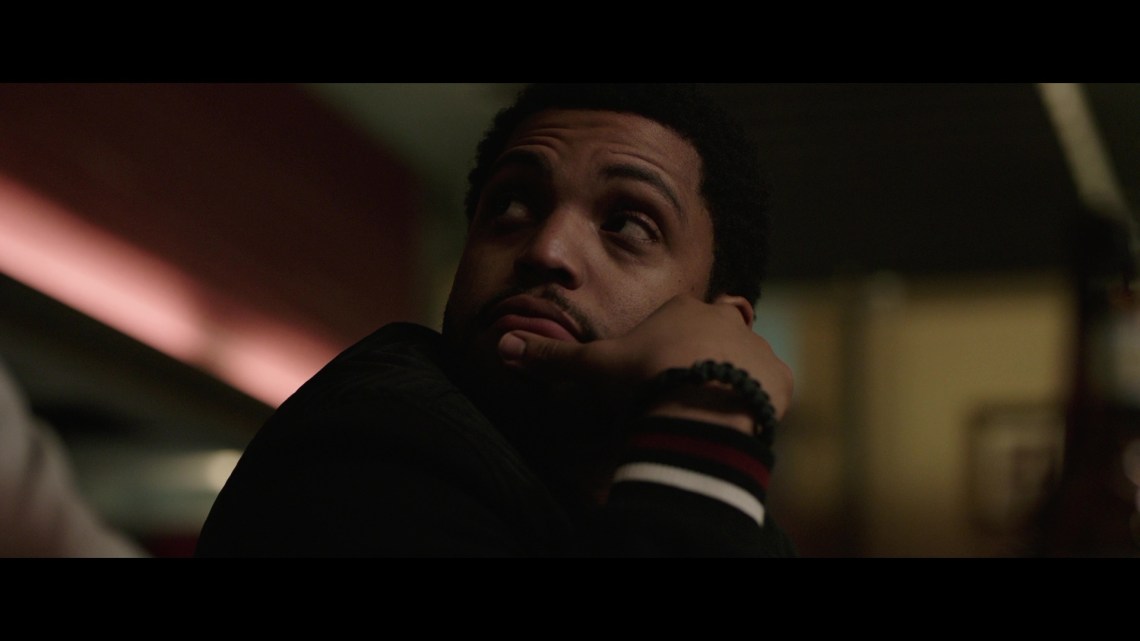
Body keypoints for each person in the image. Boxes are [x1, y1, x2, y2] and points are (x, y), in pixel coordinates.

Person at [194, 83, 797, 557]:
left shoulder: (731, 520)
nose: (546, 249)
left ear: (721, 326)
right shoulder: (373, 446)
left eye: (627, 225)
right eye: (512, 204)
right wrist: (706, 415)